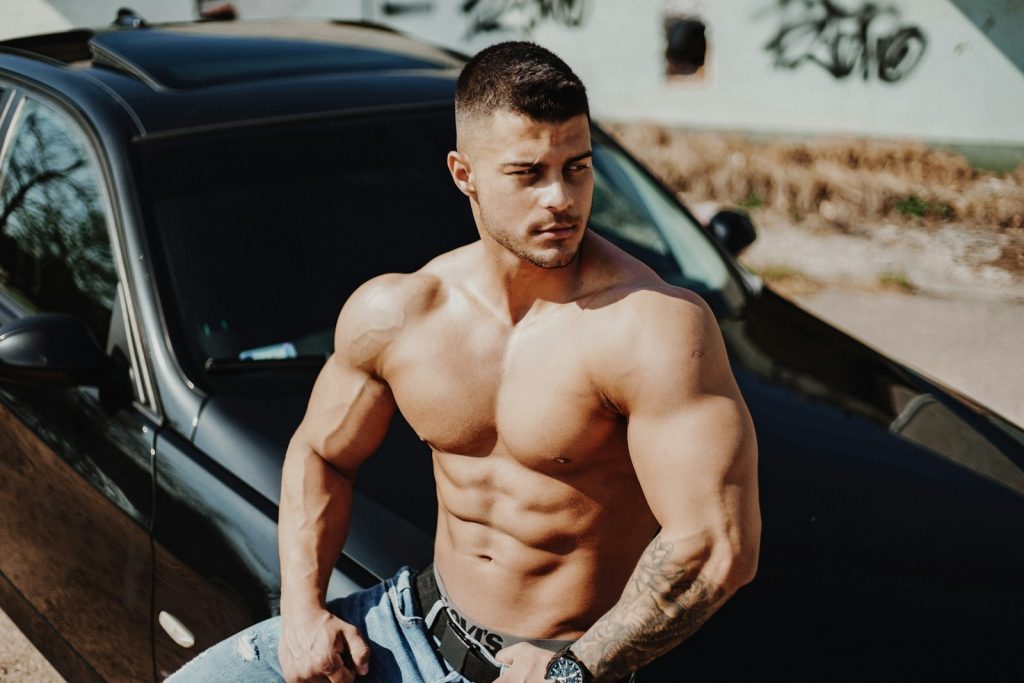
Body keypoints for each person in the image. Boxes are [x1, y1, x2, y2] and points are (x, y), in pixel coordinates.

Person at [168, 41, 760, 683]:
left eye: (578, 167)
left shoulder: (652, 326)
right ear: (464, 174)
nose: (561, 198)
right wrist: (303, 613)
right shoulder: (399, 312)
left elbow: (715, 546)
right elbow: (321, 454)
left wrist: (575, 669)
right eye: (528, 173)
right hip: (412, 627)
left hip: (563, 667)